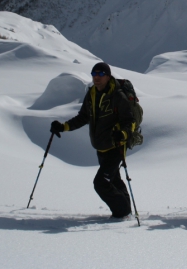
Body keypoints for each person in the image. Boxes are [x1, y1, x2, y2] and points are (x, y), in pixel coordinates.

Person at [50, 62, 135, 219]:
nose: (97, 77)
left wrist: (123, 134)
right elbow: (83, 117)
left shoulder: (117, 96)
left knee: (101, 183)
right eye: (94, 74)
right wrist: (63, 127)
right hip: (100, 147)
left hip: (115, 147)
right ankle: (127, 211)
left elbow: (129, 121)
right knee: (114, 180)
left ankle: (122, 213)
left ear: (108, 77)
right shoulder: (92, 94)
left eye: (101, 74)